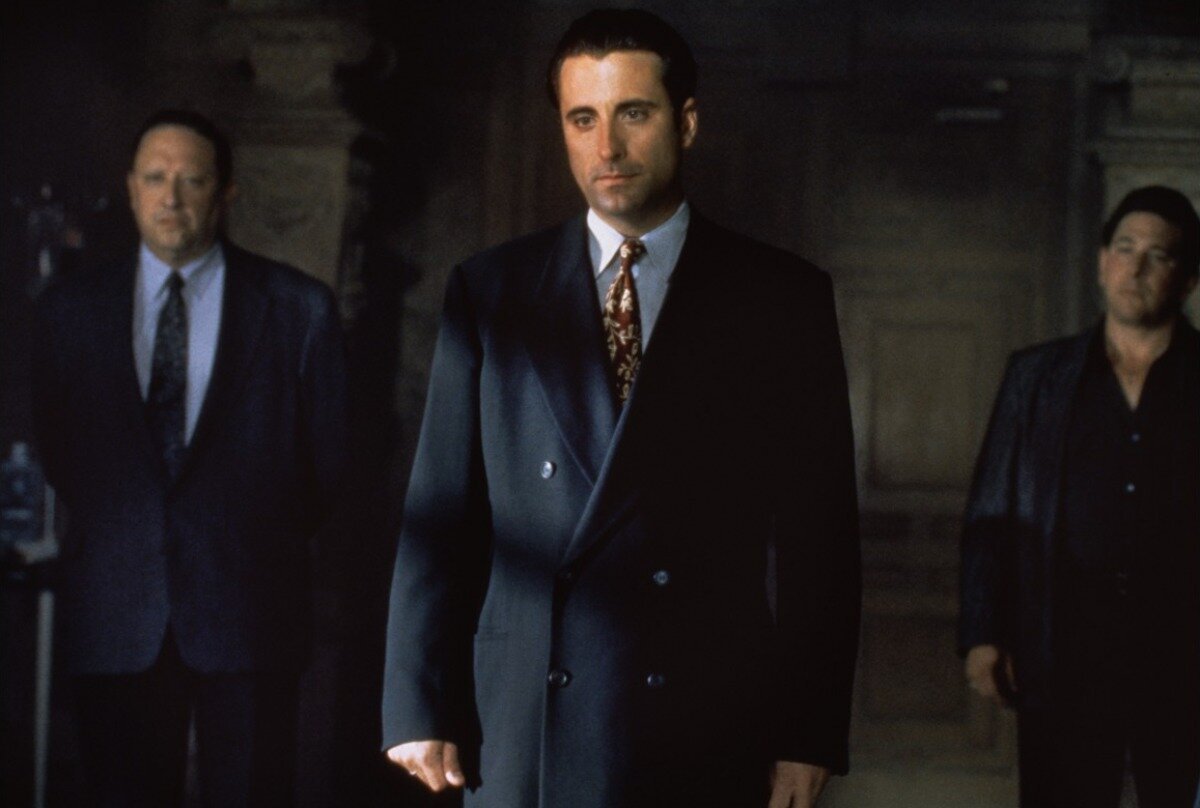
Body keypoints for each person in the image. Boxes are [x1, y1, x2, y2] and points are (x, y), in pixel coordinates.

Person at [381, 9, 861, 808]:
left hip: (705, 714)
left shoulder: (781, 298)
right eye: (583, 119)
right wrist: (416, 702)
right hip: (525, 714)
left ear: (687, 122)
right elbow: (440, 513)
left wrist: (807, 733)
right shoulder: (491, 290)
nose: (606, 147)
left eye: (633, 113)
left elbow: (820, 542)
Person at [32, 109, 349, 807]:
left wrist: (240, 538)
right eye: (154, 178)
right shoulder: (70, 313)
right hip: (117, 615)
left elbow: (327, 467)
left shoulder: (299, 310)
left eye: (192, 180)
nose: (170, 198)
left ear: (226, 192)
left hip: (251, 614)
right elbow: (59, 450)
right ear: (130, 189)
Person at [959, 185, 1200, 807]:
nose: (1136, 268)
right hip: (1063, 643)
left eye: (1159, 255)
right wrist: (984, 631)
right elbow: (991, 513)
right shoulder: (1037, 378)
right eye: (1125, 248)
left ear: (1189, 279)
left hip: (1182, 650)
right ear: (1101, 261)